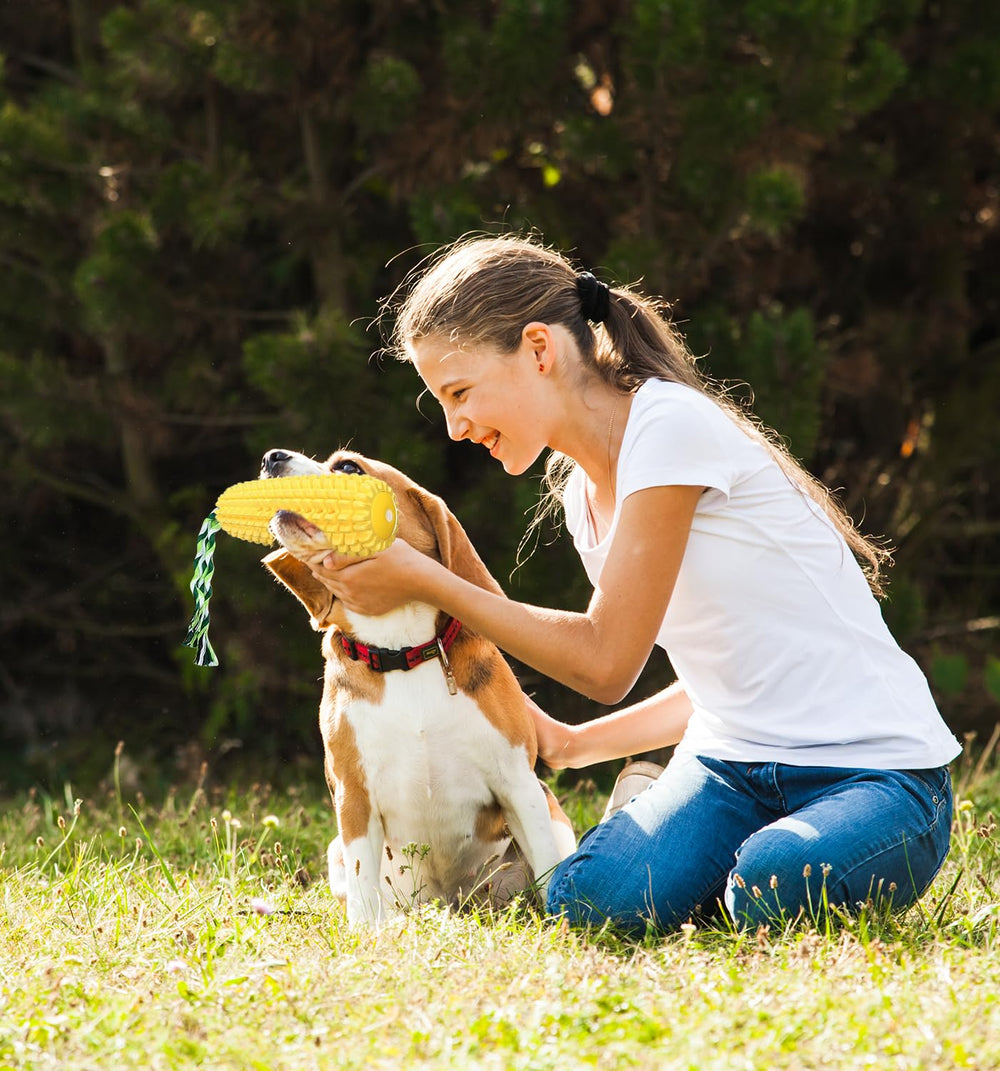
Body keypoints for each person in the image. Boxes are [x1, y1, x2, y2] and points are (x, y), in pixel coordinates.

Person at [309, 233, 961, 936]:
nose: (455, 426)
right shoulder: (581, 494)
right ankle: (698, 846)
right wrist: (572, 743)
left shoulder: (668, 427)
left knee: (772, 884)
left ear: (538, 348)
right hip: (731, 768)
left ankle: (741, 866)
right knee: (588, 902)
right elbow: (724, 674)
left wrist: (427, 579)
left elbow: (606, 662)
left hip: (876, 775)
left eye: (459, 392)